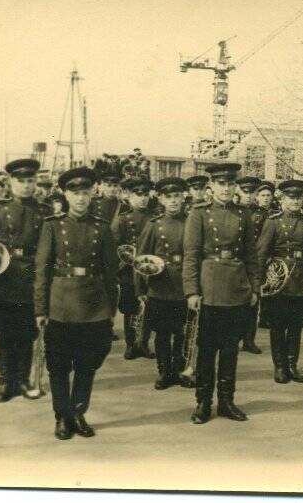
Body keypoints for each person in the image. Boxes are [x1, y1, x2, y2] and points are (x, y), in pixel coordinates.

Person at [34, 166, 118, 440]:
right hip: (61, 304)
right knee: (58, 366)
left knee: (87, 364)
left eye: (86, 193)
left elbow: (111, 271)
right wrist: (40, 308)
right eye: (75, 193)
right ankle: (62, 416)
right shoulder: (52, 226)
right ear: (66, 195)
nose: (81, 198)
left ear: (93, 194)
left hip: (94, 306)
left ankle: (79, 412)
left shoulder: (102, 228)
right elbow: (42, 269)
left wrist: (110, 309)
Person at [183, 163, 260, 424]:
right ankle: (203, 402)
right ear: (211, 187)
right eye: (221, 184)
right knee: (206, 349)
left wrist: (254, 287)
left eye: (230, 184)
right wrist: (192, 290)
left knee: (230, 350)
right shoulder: (199, 214)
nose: (226, 188)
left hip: (237, 287)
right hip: (209, 288)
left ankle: (227, 401)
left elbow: (251, 255)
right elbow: (191, 256)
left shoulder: (243, 214)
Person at [0, 158, 52, 402]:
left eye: (30, 180)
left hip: (31, 278)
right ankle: (4, 381)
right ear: (11, 182)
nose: (26, 185)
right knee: (6, 333)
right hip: (3, 278)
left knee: (27, 333)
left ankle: (22, 379)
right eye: (21, 181)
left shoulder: (44, 211)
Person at [256, 180, 303, 384]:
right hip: (279, 280)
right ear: (282, 199)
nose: (295, 201)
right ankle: (280, 367)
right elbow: (261, 254)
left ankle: (292, 365)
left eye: (299, 197)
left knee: (296, 325)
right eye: (291, 197)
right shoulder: (273, 222)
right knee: (278, 326)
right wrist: (261, 282)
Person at [137, 177, 193, 390]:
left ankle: (179, 369)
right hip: (160, 285)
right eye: (168, 197)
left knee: (181, 331)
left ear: (183, 197)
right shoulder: (154, 225)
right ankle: (164, 371)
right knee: (162, 332)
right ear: (160, 199)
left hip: (184, 284)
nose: (173, 201)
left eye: (177, 196)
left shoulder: (191, 222)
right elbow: (141, 258)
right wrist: (141, 287)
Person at [112, 177, 156, 359]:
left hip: (152, 270)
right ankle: (131, 345)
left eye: (146, 194)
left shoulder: (155, 217)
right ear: (130, 196)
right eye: (139, 195)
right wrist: (123, 263)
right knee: (131, 308)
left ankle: (143, 343)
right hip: (130, 270)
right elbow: (114, 245)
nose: (143, 198)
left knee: (149, 306)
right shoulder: (123, 219)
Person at [237, 175, 265, 355]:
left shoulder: (262, 214)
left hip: (255, 262)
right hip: (236, 261)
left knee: (253, 302)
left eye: (251, 192)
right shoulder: (234, 211)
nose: (248, 195)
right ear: (239, 191)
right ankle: (234, 336)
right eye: (245, 191)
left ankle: (249, 339)